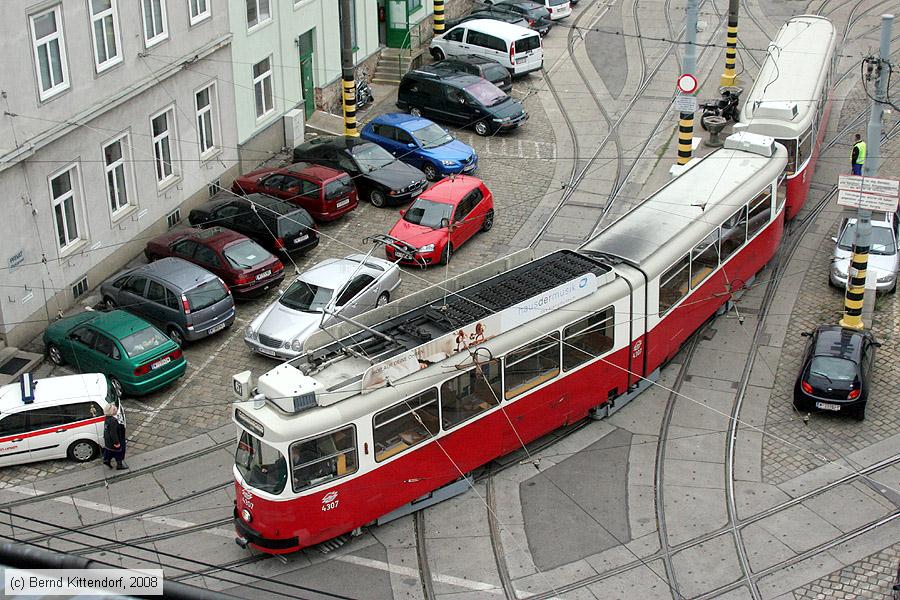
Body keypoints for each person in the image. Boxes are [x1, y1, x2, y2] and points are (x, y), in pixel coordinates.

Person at [102, 404, 128, 470]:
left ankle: (107, 460)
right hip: (115, 440)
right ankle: (119, 465)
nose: (116, 410)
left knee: (110, 451)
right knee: (119, 452)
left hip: (108, 441)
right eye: (115, 409)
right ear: (112, 411)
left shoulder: (107, 418)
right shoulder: (113, 420)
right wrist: (117, 443)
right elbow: (113, 433)